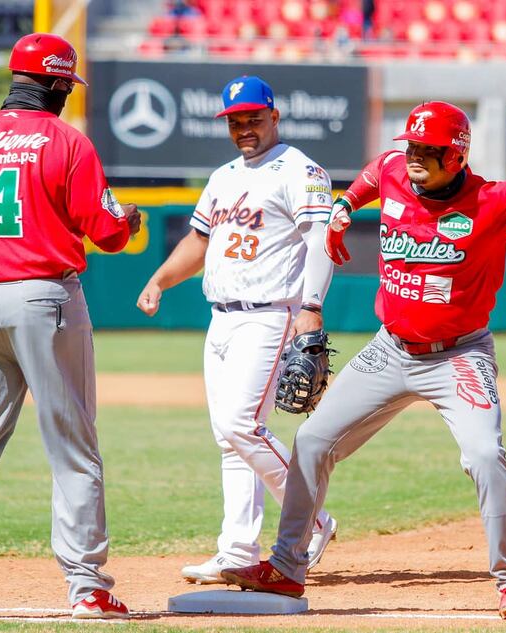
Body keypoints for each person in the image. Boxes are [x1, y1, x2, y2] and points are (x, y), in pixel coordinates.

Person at [220, 101, 506, 620]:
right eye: (413, 146)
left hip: (459, 354)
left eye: (429, 150)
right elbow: (379, 168)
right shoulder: (398, 171)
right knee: (311, 441)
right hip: (390, 349)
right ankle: (287, 568)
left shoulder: (493, 199)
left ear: (457, 155)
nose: (415, 157)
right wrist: (346, 203)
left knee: (486, 456)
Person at [0, 33, 142, 620]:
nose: (69, 95)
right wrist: (130, 221)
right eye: (66, 86)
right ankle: (87, 586)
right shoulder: (67, 143)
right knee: (72, 445)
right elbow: (107, 231)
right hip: (43, 296)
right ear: (56, 84)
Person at [136, 75, 338, 585]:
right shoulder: (224, 176)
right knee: (230, 439)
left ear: (274, 116)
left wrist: (310, 308)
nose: (244, 127)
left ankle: (313, 520)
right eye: (235, 120)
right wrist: (160, 279)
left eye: (253, 117)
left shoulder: (300, 170)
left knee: (241, 426)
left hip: (270, 314)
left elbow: (320, 242)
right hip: (221, 317)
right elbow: (199, 241)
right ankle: (236, 550)